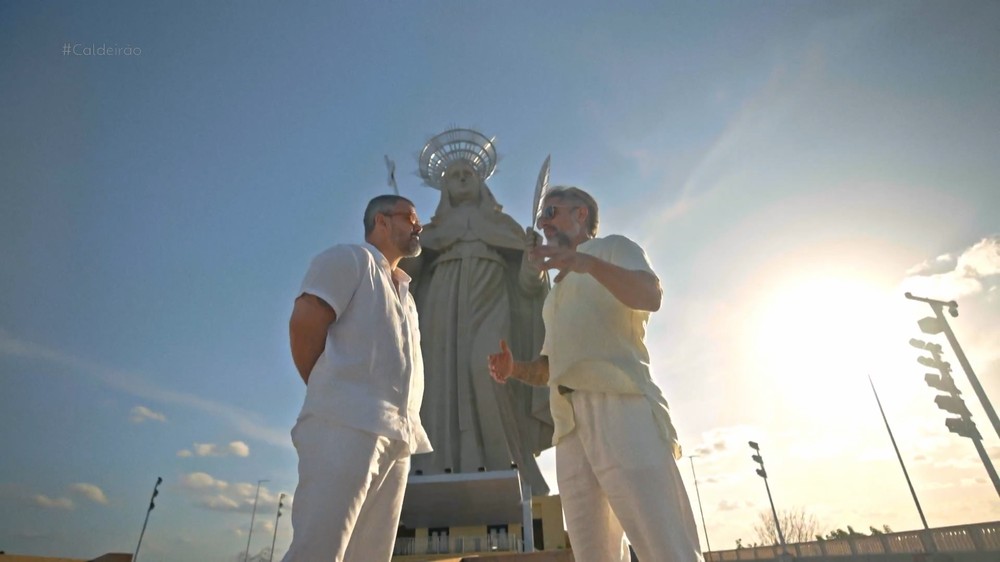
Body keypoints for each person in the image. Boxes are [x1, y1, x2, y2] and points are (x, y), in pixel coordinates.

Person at [488, 187, 704, 562]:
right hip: (569, 427)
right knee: (592, 554)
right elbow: (550, 369)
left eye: (551, 212)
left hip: (621, 406)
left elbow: (650, 294)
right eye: (541, 217)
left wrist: (584, 262)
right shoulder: (554, 295)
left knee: (664, 542)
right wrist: (515, 369)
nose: (543, 223)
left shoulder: (612, 248)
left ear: (581, 214)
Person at [282, 194, 431, 562]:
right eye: (410, 218)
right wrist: (333, 391)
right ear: (381, 221)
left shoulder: (406, 296)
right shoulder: (350, 259)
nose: (419, 227)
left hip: (398, 437)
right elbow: (305, 321)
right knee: (318, 551)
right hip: (344, 425)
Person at [404, 157, 554, 494]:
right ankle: (436, 467)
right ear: (443, 187)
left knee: (487, 370)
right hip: (440, 304)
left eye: (467, 174)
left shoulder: (503, 225)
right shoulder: (431, 232)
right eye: (453, 175)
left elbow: (530, 289)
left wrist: (532, 264)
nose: (460, 179)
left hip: (491, 299)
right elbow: (407, 279)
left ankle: (510, 467)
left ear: (480, 181)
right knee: (440, 378)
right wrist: (411, 250)